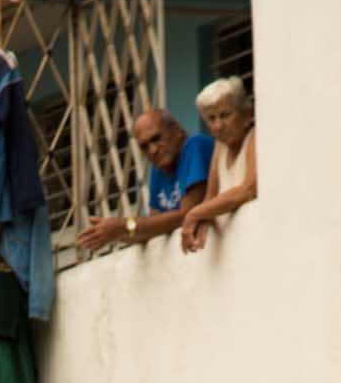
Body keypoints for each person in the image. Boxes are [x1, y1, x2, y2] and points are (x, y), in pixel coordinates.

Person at [77, 110, 214, 254]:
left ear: (177, 130)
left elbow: (187, 215)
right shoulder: (160, 167)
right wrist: (113, 233)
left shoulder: (195, 145)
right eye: (145, 147)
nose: (153, 150)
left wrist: (123, 226)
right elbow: (152, 228)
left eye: (156, 139)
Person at [181, 78, 258, 254]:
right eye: (211, 118)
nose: (218, 125)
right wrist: (203, 218)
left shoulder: (254, 138)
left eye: (225, 115)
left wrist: (195, 213)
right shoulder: (220, 147)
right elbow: (210, 196)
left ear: (247, 113)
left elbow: (248, 190)